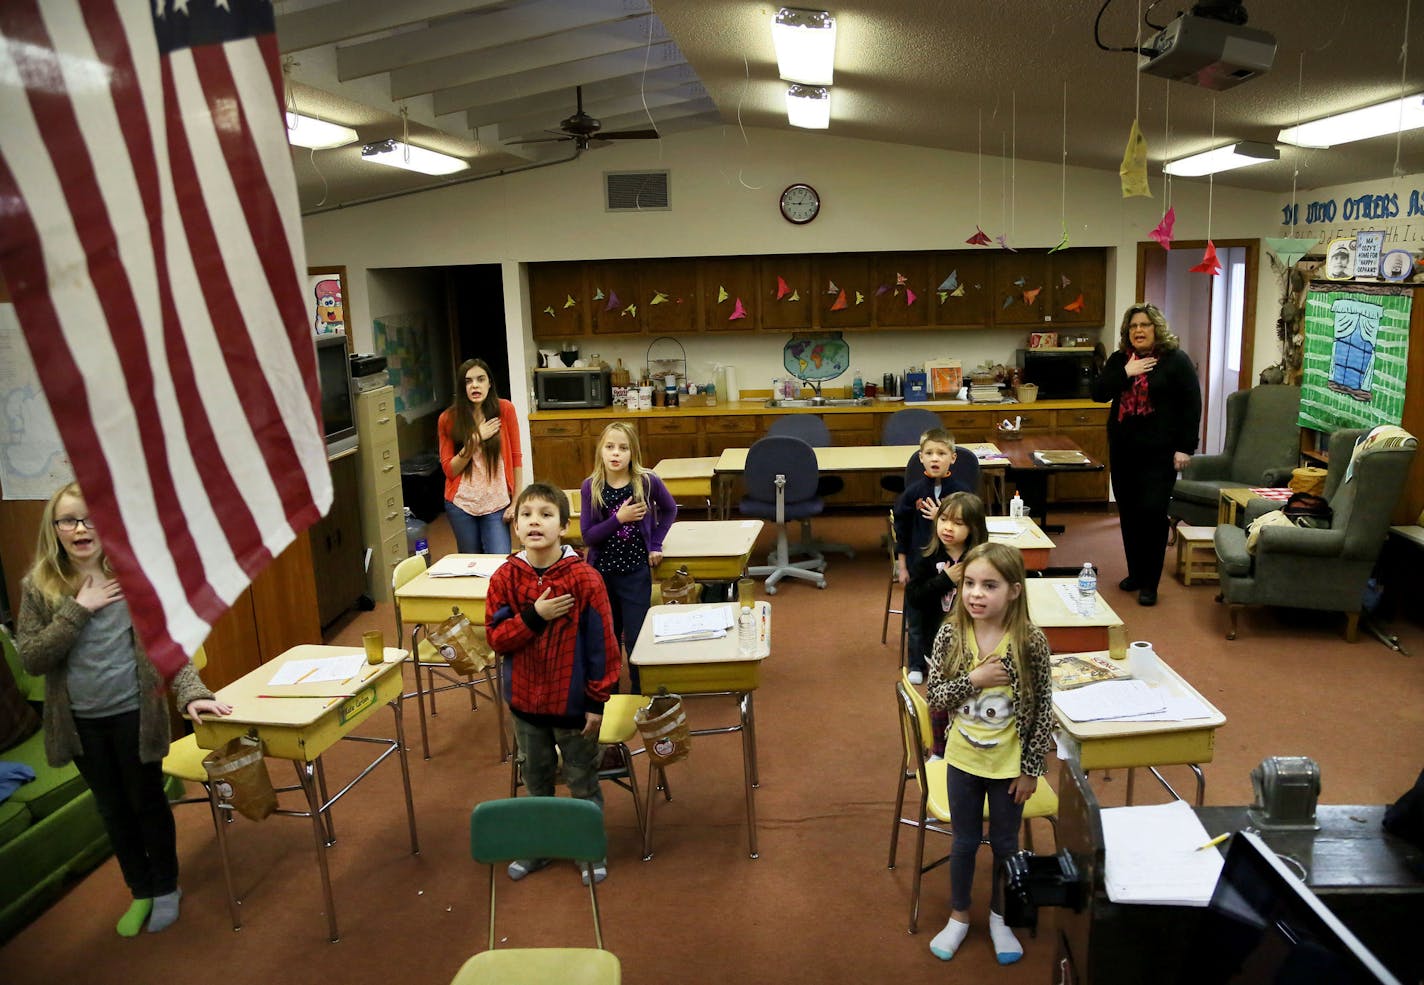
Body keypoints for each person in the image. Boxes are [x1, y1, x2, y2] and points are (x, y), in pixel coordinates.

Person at [15, 482, 232, 937]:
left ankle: (167, 887)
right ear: (55, 529)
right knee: (112, 810)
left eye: (92, 518)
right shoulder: (39, 586)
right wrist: (78, 609)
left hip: (135, 716)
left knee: (147, 803)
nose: (81, 528)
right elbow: (32, 657)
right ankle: (142, 891)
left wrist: (191, 692)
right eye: (69, 520)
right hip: (80, 725)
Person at [924, 542, 1053, 966]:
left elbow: (1042, 710)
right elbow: (937, 698)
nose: (977, 594)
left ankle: (1001, 917)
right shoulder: (951, 633)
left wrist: (1032, 770)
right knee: (962, 844)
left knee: (1004, 845)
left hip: (1009, 769)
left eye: (990, 585)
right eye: (970, 584)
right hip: (963, 762)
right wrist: (975, 678)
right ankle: (959, 915)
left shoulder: (1030, 641)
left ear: (1014, 591)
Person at [485, 483, 621, 885]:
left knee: (582, 779)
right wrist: (535, 615)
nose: (534, 522)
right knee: (536, 779)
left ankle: (589, 847)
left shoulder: (584, 578)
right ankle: (538, 847)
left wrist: (597, 701)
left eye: (546, 515)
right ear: (515, 524)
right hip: (526, 703)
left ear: (563, 526)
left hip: (574, 704)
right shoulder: (505, 577)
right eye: (526, 514)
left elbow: (603, 645)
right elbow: (497, 638)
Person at [1090, 302, 1201, 606]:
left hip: (1160, 452)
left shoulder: (1175, 361)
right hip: (1125, 450)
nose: (1138, 331)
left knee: (1152, 514)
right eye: (1133, 326)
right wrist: (1125, 372)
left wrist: (1185, 448)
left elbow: (1192, 406)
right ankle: (1136, 573)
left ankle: (1150, 583)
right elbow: (1099, 393)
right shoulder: (1118, 361)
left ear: (1156, 328)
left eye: (1145, 325)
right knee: (1129, 514)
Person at [579, 422, 677, 693]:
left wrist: (655, 543)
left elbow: (669, 510)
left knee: (636, 637)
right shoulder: (591, 486)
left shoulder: (646, 481)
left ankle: (638, 690)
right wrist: (618, 519)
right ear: (601, 450)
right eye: (610, 447)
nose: (616, 454)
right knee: (607, 637)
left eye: (623, 448)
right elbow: (588, 536)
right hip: (602, 575)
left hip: (635, 573)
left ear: (633, 452)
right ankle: (608, 691)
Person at [904, 491, 989, 758]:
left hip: (975, 645)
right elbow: (914, 598)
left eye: (958, 523)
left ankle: (975, 742)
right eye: (944, 520)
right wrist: (946, 580)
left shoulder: (982, 560)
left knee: (972, 695)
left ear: (974, 528)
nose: (948, 528)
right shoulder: (927, 558)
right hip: (937, 643)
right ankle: (940, 751)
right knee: (941, 698)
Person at [893, 428, 976, 684]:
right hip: (921, 567)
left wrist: (944, 516)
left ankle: (949, 659)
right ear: (920, 458)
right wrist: (902, 565)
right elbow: (902, 530)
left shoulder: (961, 491)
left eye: (941, 453)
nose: (934, 458)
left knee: (947, 616)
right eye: (929, 453)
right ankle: (917, 662)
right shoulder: (913, 492)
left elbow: (974, 524)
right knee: (917, 618)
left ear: (952, 457)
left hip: (954, 564)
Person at [438, 358, 523, 555]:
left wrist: (516, 500)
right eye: (468, 381)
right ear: (462, 387)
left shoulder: (505, 409)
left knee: (499, 562)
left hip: (497, 502)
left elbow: (516, 458)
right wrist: (475, 438)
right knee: (471, 565)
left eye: (480, 379)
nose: (475, 385)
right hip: (461, 504)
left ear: (489, 383)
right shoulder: (448, 419)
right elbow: (450, 470)